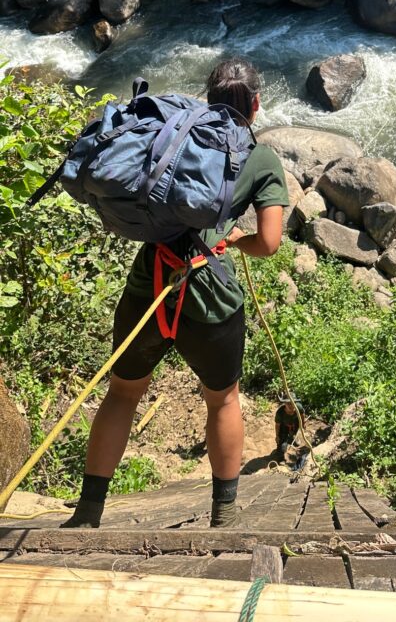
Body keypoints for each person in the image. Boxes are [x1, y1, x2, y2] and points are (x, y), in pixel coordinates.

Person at [62, 57, 289, 530]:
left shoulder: (180, 134)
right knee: (222, 400)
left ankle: (87, 514)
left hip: (149, 282)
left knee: (123, 394)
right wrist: (233, 241)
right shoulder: (261, 157)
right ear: (256, 104)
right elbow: (269, 243)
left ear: (208, 98)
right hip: (209, 294)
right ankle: (223, 517)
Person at [275, 392, 305, 460]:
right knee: (282, 446)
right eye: (288, 403)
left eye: (293, 403)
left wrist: (303, 424)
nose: (291, 405)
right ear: (284, 403)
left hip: (295, 423)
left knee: (293, 433)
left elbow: (302, 414)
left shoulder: (299, 407)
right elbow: (277, 425)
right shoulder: (280, 413)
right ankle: (280, 458)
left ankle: (292, 437)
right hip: (284, 426)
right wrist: (277, 436)